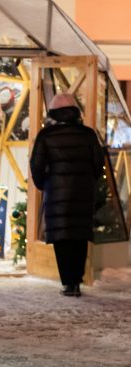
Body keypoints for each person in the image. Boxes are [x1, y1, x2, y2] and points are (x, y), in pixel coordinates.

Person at [29, 93, 105, 297]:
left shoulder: (46, 136)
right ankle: (76, 281)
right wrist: (89, 181)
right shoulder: (88, 134)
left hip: (56, 192)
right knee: (79, 235)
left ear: (53, 112)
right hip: (83, 192)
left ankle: (67, 282)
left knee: (61, 236)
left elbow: (36, 165)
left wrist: (43, 184)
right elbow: (99, 164)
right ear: (74, 111)